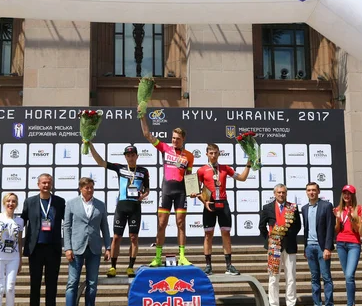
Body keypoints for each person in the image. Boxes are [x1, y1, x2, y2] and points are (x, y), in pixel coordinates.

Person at [139, 108, 194, 267]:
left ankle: (182, 256)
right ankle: (157, 257)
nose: (174, 140)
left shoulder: (189, 156)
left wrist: (192, 190)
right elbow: (147, 135)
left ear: (183, 139)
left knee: (181, 223)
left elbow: (189, 176)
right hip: (167, 191)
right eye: (173, 138)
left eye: (177, 138)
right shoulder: (165, 148)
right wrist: (142, 117)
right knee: (162, 224)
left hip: (181, 192)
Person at [87, 142, 149, 278]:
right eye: (128, 155)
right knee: (116, 237)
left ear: (137, 156)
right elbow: (101, 162)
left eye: (133, 155)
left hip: (135, 207)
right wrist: (91, 146)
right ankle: (113, 267)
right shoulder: (119, 168)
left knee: (134, 237)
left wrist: (142, 196)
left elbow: (147, 190)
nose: (131, 157)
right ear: (125, 157)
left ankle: (131, 267)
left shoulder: (143, 171)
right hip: (121, 206)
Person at [62, 177, 111, 306]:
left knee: (92, 284)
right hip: (76, 248)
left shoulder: (100, 205)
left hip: (94, 248)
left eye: (91, 187)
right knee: (72, 283)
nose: (89, 190)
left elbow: (105, 227)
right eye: (86, 187)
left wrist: (108, 247)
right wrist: (67, 248)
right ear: (80, 189)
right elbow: (67, 227)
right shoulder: (71, 204)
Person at [194, 143, 250, 275]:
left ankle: (229, 266)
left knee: (226, 234)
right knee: (208, 235)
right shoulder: (201, 170)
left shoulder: (225, 168)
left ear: (219, 154)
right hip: (210, 204)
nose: (213, 155)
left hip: (223, 203)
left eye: (216, 153)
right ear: (207, 154)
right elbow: (196, 190)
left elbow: (242, 178)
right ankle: (208, 266)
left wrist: (248, 166)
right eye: (211, 153)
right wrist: (204, 202)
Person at [21, 173, 66, 306]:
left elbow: (67, 224)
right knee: (35, 284)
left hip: (53, 248)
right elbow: (21, 223)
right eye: (43, 183)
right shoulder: (30, 202)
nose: (46, 185)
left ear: (52, 184)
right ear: (38, 184)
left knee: (52, 284)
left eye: (49, 183)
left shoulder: (60, 202)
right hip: (36, 248)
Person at [258, 184, 301, 306]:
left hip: (290, 247)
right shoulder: (267, 208)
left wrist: (287, 236)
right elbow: (261, 226)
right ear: (274, 194)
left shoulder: (292, 208)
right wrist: (270, 240)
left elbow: (298, 226)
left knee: (291, 277)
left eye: (283, 192)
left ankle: (291, 305)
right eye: (279, 193)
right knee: (273, 278)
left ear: (286, 193)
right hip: (274, 247)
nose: (281, 195)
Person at [302, 182, 335, 306]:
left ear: (318, 191)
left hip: (322, 248)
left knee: (326, 277)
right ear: (306, 192)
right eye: (309, 190)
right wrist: (305, 247)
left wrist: (328, 247)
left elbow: (330, 228)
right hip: (309, 247)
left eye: (314, 190)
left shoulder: (326, 206)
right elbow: (306, 229)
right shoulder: (304, 208)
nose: (311, 192)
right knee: (314, 278)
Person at [334, 184, 362, 306]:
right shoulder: (338, 209)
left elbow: (359, 231)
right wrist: (337, 219)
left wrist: (352, 218)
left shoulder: (358, 209)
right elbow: (337, 230)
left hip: (353, 244)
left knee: (349, 275)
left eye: (349, 193)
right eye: (345, 193)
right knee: (348, 277)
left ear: (353, 195)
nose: (347, 196)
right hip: (341, 243)